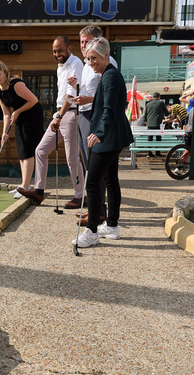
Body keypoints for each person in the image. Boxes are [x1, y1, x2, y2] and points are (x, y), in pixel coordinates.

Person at [72, 37, 133, 248]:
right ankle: (112, 225)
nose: (91, 62)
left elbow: (109, 109)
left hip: (107, 139)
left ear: (106, 55)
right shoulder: (108, 75)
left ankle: (91, 232)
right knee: (110, 180)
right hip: (112, 137)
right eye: (88, 59)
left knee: (92, 182)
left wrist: (98, 133)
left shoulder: (109, 77)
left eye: (95, 58)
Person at [18, 36, 84, 208]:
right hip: (60, 113)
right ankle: (39, 191)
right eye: (54, 51)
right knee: (40, 150)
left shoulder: (76, 63)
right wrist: (57, 115)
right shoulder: (60, 67)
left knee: (71, 157)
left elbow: (70, 94)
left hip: (70, 114)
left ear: (69, 48)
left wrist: (59, 116)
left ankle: (80, 196)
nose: (57, 54)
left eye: (60, 50)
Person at [69, 25, 118, 226]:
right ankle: (95, 210)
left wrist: (86, 98)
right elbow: (93, 90)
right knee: (91, 166)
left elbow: (108, 95)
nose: (83, 45)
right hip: (84, 114)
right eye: (81, 41)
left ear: (98, 42)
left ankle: (99, 213)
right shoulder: (87, 62)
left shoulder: (106, 63)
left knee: (96, 170)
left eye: (87, 41)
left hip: (95, 117)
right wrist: (77, 88)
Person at [0, 60, 44, 199]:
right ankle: (25, 185)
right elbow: (6, 113)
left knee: (28, 150)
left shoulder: (16, 84)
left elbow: (34, 100)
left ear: (5, 73)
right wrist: (4, 132)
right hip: (19, 116)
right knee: (21, 150)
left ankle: (24, 187)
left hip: (32, 116)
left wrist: (18, 111)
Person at [142, 92, 168, 157]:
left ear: (153, 97)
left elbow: (145, 115)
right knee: (158, 138)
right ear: (159, 97)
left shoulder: (148, 104)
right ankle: (157, 152)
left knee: (149, 138)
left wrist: (146, 122)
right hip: (158, 123)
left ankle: (149, 153)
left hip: (150, 124)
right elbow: (167, 113)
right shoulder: (161, 103)